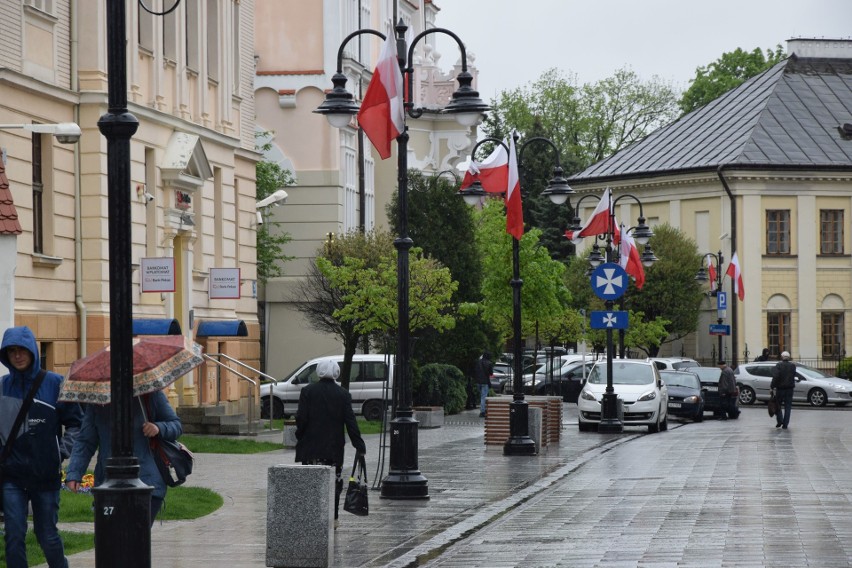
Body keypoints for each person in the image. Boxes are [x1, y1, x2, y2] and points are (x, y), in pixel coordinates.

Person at [0, 325, 82, 568]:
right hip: (11, 476)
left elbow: (77, 424)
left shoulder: (55, 384)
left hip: (45, 474)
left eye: (22, 350)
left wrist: (61, 451)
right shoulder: (2, 387)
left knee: (46, 535)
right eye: (12, 351)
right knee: (13, 535)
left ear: (33, 352)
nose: (17, 355)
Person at [65, 389, 182, 525]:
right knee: (106, 541)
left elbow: (176, 425)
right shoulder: (97, 401)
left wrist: (158, 428)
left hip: (146, 483)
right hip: (108, 484)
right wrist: (75, 472)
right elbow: (86, 441)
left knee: (136, 539)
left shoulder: (150, 394)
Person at [295, 359, 366, 525]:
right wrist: (359, 444)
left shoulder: (307, 391)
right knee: (335, 482)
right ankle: (333, 518)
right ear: (336, 373)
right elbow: (351, 422)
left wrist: (300, 435)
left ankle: (312, 516)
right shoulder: (342, 394)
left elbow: (301, 418)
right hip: (333, 448)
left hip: (311, 446)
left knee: (311, 482)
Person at [771, 351, 797, 429]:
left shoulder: (779, 365)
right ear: (788, 358)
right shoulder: (793, 366)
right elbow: (793, 375)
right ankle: (785, 424)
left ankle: (780, 420)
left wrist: (772, 386)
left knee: (778, 405)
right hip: (789, 389)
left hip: (780, 389)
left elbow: (775, 377)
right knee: (788, 407)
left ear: (782, 357)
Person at [474, 351, 493, 418]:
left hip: (478, 382)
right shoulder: (489, 363)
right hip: (485, 382)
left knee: (482, 396)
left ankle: (484, 409)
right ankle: (482, 412)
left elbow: (475, 371)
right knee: (483, 397)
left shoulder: (478, 362)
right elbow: (491, 374)